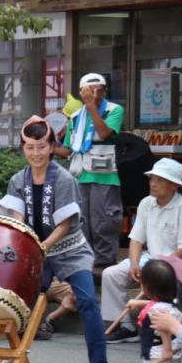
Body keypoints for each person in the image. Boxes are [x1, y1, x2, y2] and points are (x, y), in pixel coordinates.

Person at [1, 116, 110, 363]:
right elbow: (17, 218)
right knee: (16, 301)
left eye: (41, 147)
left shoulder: (63, 179)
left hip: (70, 249)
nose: (35, 153)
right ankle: (10, 357)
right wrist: (28, 247)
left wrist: (42, 246)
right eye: (29, 147)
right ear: (23, 148)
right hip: (35, 250)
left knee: (87, 302)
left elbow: (65, 224)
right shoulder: (18, 180)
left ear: (51, 147)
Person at [101, 158, 182, 343]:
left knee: (161, 277)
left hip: (180, 263)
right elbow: (136, 239)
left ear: (173, 186)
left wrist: (157, 268)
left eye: (159, 180)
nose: (153, 184)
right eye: (152, 179)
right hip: (152, 259)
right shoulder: (146, 203)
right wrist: (133, 264)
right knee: (111, 274)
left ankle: (167, 329)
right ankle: (125, 326)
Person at [54, 72, 125, 268]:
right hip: (79, 176)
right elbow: (68, 149)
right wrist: (48, 145)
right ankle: (85, 264)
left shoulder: (114, 110)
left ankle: (105, 266)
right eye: (89, 91)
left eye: (99, 90)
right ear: (81, 93)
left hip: (105, 177)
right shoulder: (76, 117)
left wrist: (91, 107)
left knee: (103, 223)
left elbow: (104, 134)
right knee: (82, 224)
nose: (95, 95)